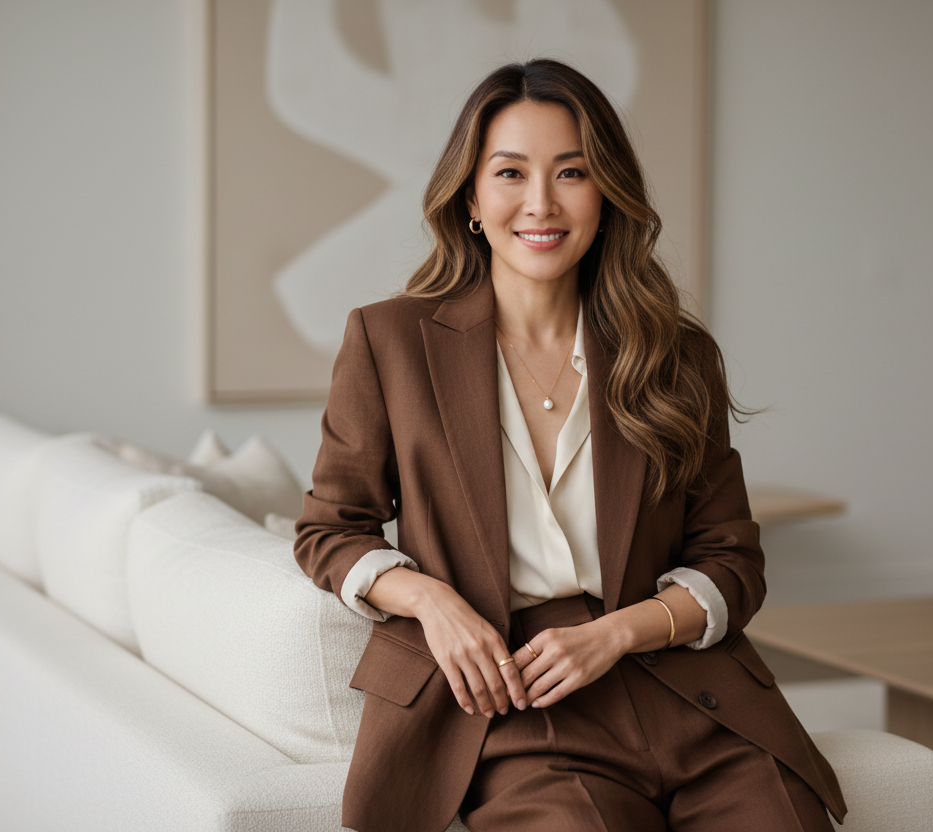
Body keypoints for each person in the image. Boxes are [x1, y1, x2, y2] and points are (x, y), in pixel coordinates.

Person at [295, 59, 846, 832]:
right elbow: (330, 530)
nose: (541, 203)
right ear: (473, 198)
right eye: (511, 172)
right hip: (513, 708)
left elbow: (732, 560)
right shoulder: (390, 342)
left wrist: (619, 632)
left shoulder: (675, 354)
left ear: (606, 194)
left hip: (687, 692)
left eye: (572, 172)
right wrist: (434, 603)